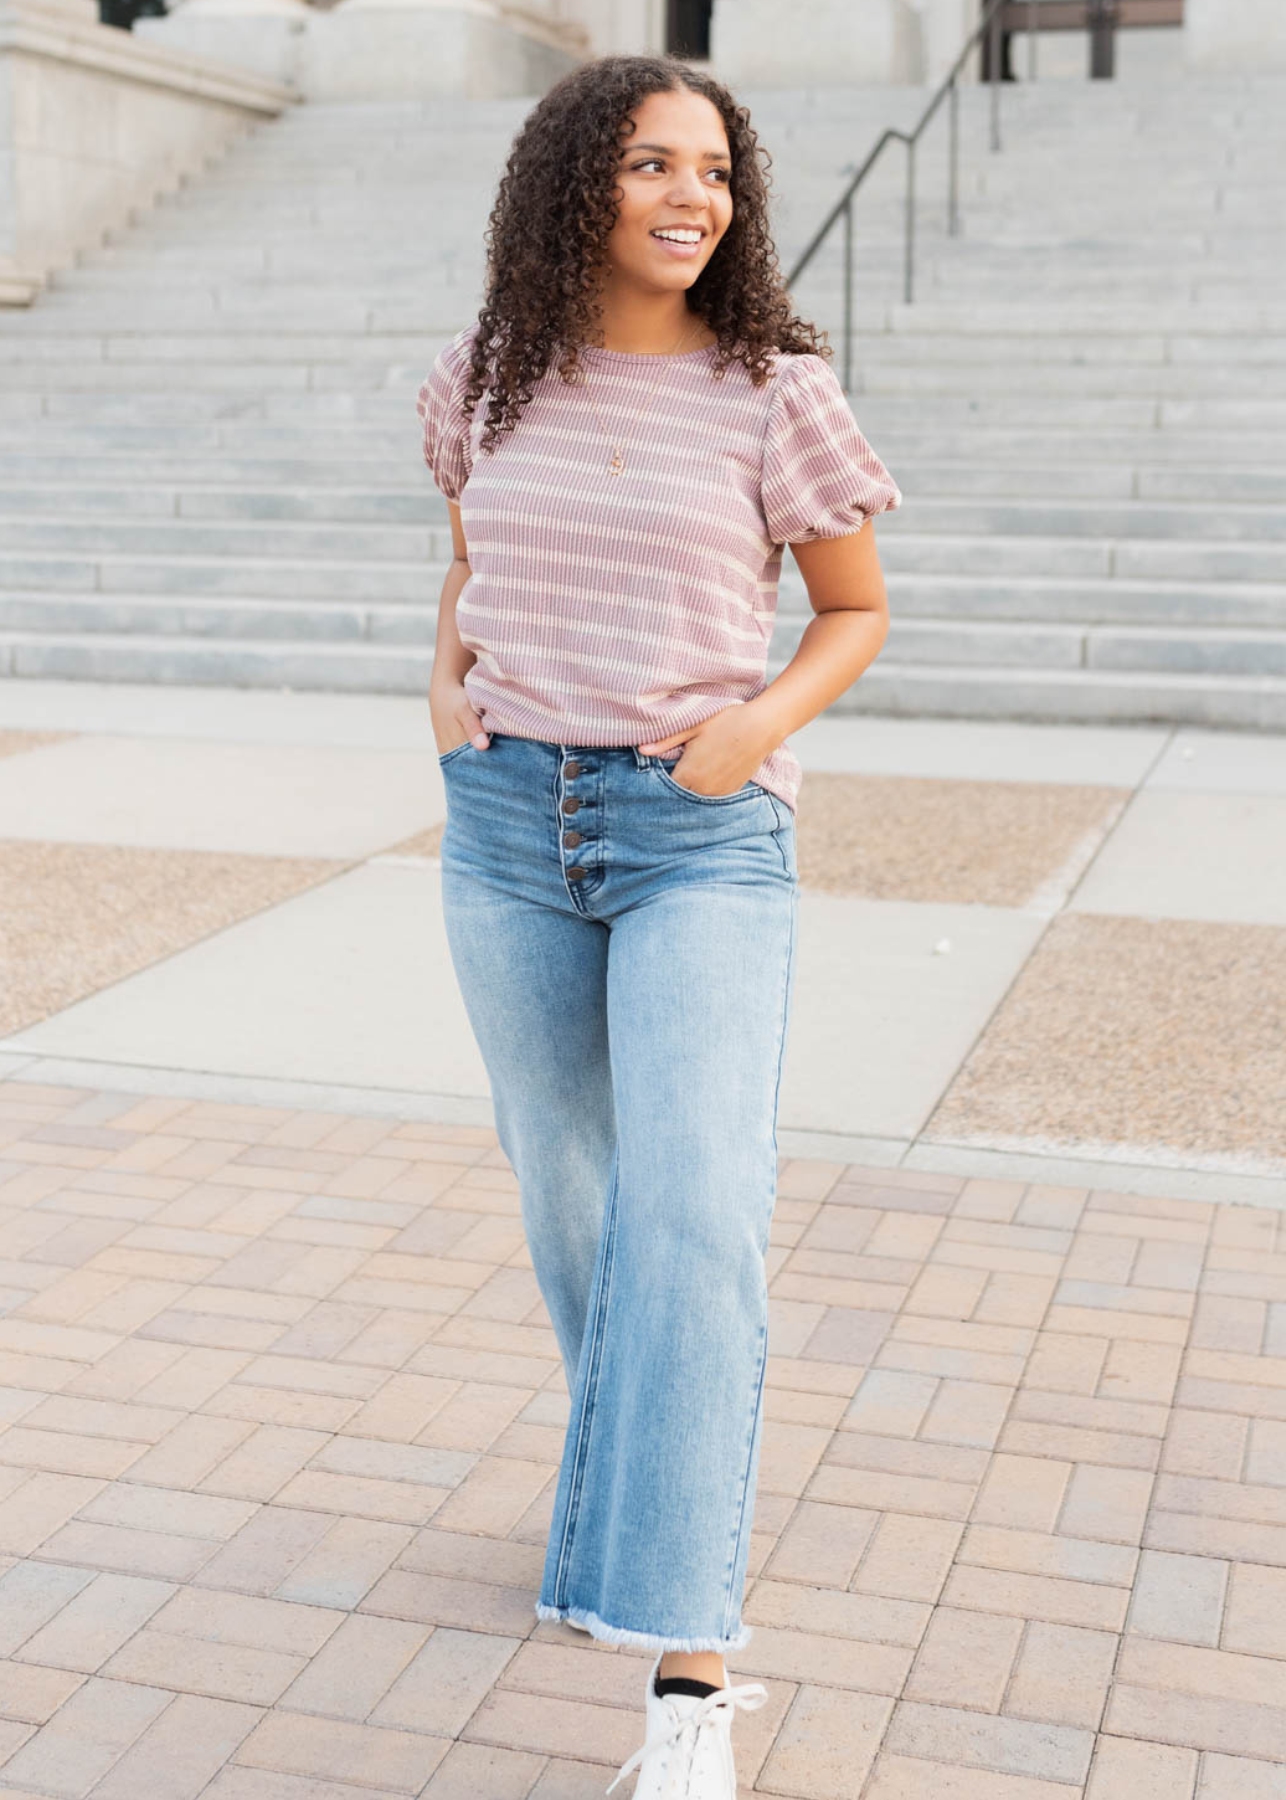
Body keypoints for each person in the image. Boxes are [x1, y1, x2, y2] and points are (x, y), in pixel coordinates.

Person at [416, 51, 901, 1799]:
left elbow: (852, 608)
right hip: (503, 832)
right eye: (646, 164)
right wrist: (444, 680)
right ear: (573, 186)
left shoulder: (774, 389)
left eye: (711, 169)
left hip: (696, 833)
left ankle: (686, 1674)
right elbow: (474, 558)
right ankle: (619, 1505)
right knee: (572, 1204)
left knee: (693, 1210)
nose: (689, 196)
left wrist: (749, 736)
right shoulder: (484, 378)